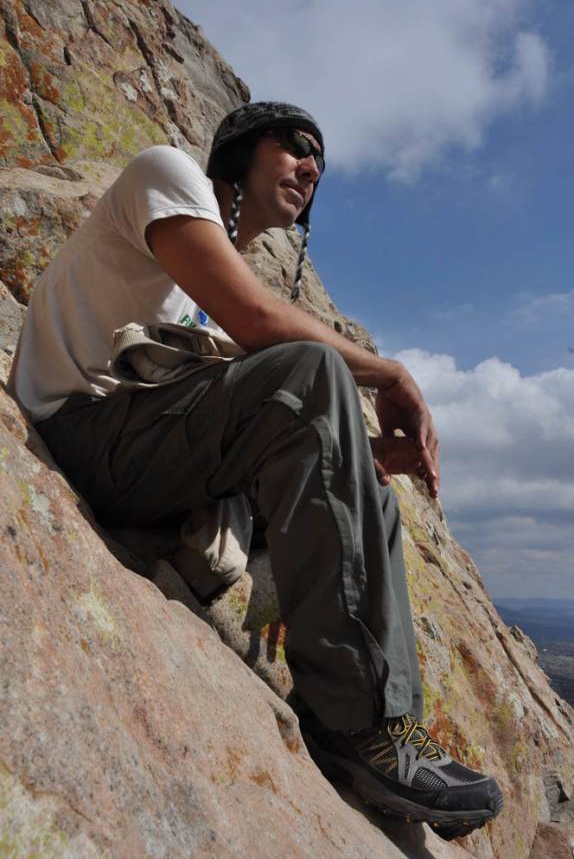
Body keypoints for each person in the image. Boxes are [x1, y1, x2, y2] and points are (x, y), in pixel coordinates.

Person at [8, 102, 503, 838]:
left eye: (321, 165)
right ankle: (357, 724)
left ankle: (389, 727)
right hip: (86, 428)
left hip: (147, 449)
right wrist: (391, 375)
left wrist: (356, 460)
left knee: (368, 491)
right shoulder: (167, 174)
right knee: (307, 371)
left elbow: (250, 422)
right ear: (241, 149)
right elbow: (261, 326)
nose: (312, 168)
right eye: (299, 146)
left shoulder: (203, 280)